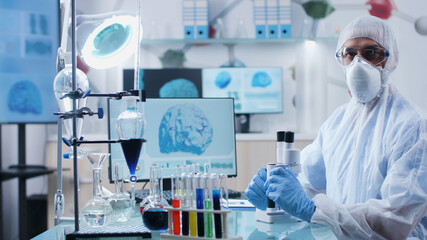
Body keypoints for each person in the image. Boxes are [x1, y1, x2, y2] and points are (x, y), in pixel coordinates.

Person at [245, 15, 427, 240]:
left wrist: (312, 210)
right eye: (350, 54)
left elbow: (395, 218)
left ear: (391, 59)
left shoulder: (413, 127)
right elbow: (308, 184)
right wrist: (275, 198)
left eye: (371, 53)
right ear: (341, 58)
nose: (359, 63)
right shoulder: (337, 123)